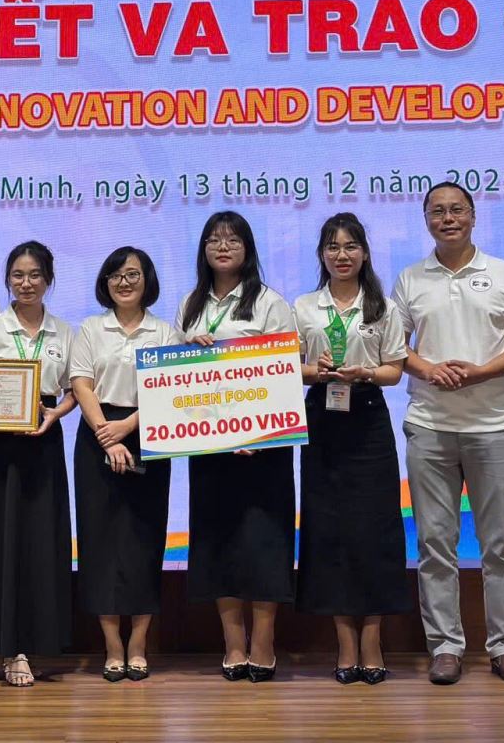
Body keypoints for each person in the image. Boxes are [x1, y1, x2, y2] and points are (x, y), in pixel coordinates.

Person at [392, 181, 504, 688]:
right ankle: (445, 647)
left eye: (457, 209)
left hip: (493, 425)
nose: (448, 218)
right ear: (426, 220)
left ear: (474, 216)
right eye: (438, 211)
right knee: (435, 543)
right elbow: (394, 346)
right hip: (429, 425)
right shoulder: (410, 279)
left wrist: (480, 372)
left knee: (500, 543)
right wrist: (429, 368)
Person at [293, 212, 415, 684]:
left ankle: (372, 640)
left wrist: (365, 372)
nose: (341, 255)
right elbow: (289, 367)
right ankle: (345, 642)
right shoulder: (305, 306)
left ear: (364, 253)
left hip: (367, 418)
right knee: (329, 530)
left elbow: (394, 371)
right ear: (322, 255)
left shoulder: (383, 306)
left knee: (374, 529)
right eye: (333, 247)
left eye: (350, 246)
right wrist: (316, 371)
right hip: (322, 418)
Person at [176, 211, 297, 683]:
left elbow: (284, 371)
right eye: (213, 239)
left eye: (232, 239)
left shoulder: (269, 303)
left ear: (247, 248)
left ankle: (264, 641)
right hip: (209, 445)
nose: (222, 247)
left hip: (262, 446)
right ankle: (233, 643)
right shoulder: (190, 304)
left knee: (265, 541)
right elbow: (176, 381)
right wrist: (190, 349)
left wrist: (254, 435)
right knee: (217, 540)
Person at [0, 241, 76, 688]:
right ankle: (10, 649)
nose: (26, 283)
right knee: (0, 542)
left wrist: (55, 414)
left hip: (43, 443)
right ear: (8, 279)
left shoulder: (64, 331)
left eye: (35, 275)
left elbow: (74, 388)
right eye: (18, 275)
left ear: (49, 279)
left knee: (40, 543)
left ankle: (38, 641)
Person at [69, 246, 178, 682]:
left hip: (149, 433)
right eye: (116, 275)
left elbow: (168, 388)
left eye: (133, 274)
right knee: (99, 542)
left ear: (147, 279)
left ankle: (138, 643)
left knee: (145, 540)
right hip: (97, 433)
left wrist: (128, 427)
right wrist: (106, 434)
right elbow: (81, 383)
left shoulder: (164, 331)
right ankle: (112, 644)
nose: (124, 282)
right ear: (105, 283)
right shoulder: (91, 328)